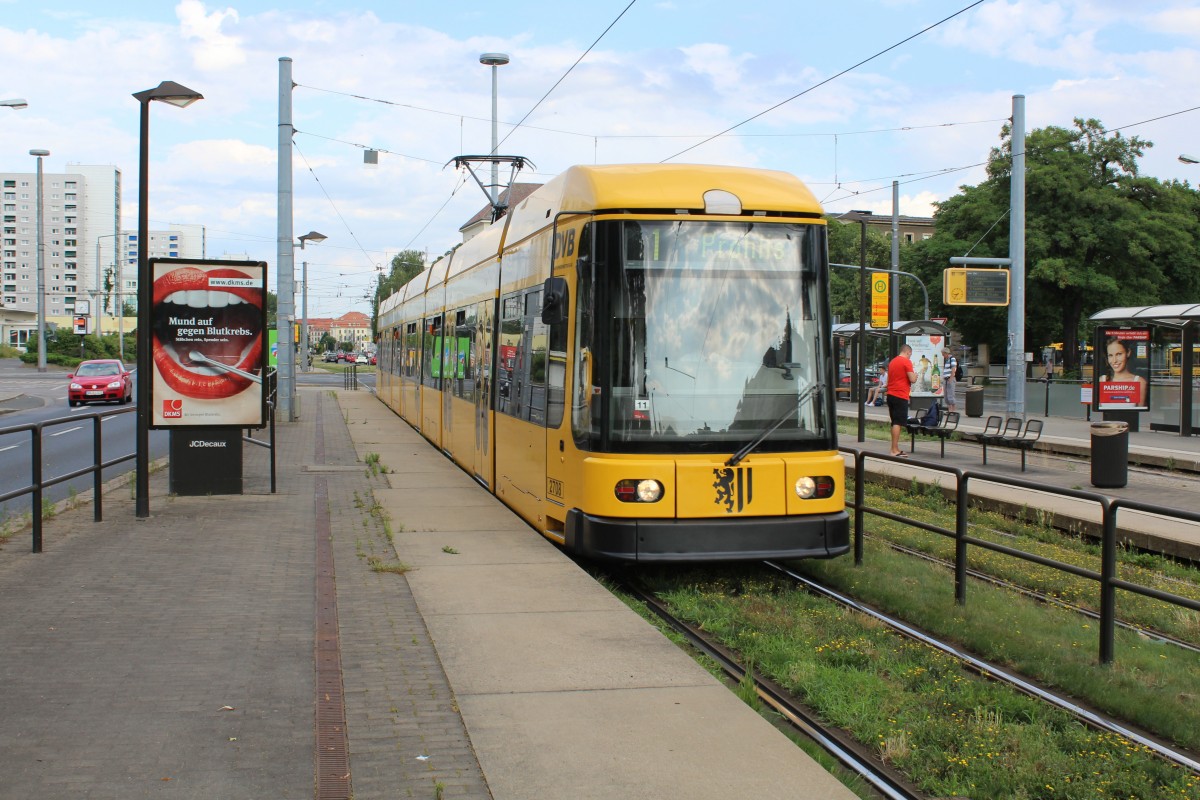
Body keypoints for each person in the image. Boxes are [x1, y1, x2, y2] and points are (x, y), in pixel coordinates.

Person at [886, 343, 917, 457]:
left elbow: (889, 379)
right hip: (900, 395)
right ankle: (894, 450)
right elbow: (912, 379)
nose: (910, 357)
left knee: (894, 422)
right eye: (910, 354)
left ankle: (895, 448)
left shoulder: (892, 362)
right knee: (898, 423)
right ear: (907, 352)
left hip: (891, 395)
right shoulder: (906, 362)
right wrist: (916, 376)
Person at [1102, 337, 1148, 404]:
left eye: (1119, 354)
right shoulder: (1101, 381)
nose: (1114, 361)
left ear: (1128, 352)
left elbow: (1141, 411)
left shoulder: (1139, 382)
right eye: (1110, 355)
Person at [941, 347, 957, 413]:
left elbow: (953, 369)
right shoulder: (947, 360)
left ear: (946, 353)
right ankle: (949, 409)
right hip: (946, 379)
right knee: (946, 395)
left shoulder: (952, 359)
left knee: (951, 394)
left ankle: (952, 410)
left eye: (943, 354)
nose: (942, 356)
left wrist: (951, 378)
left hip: (950, 379)